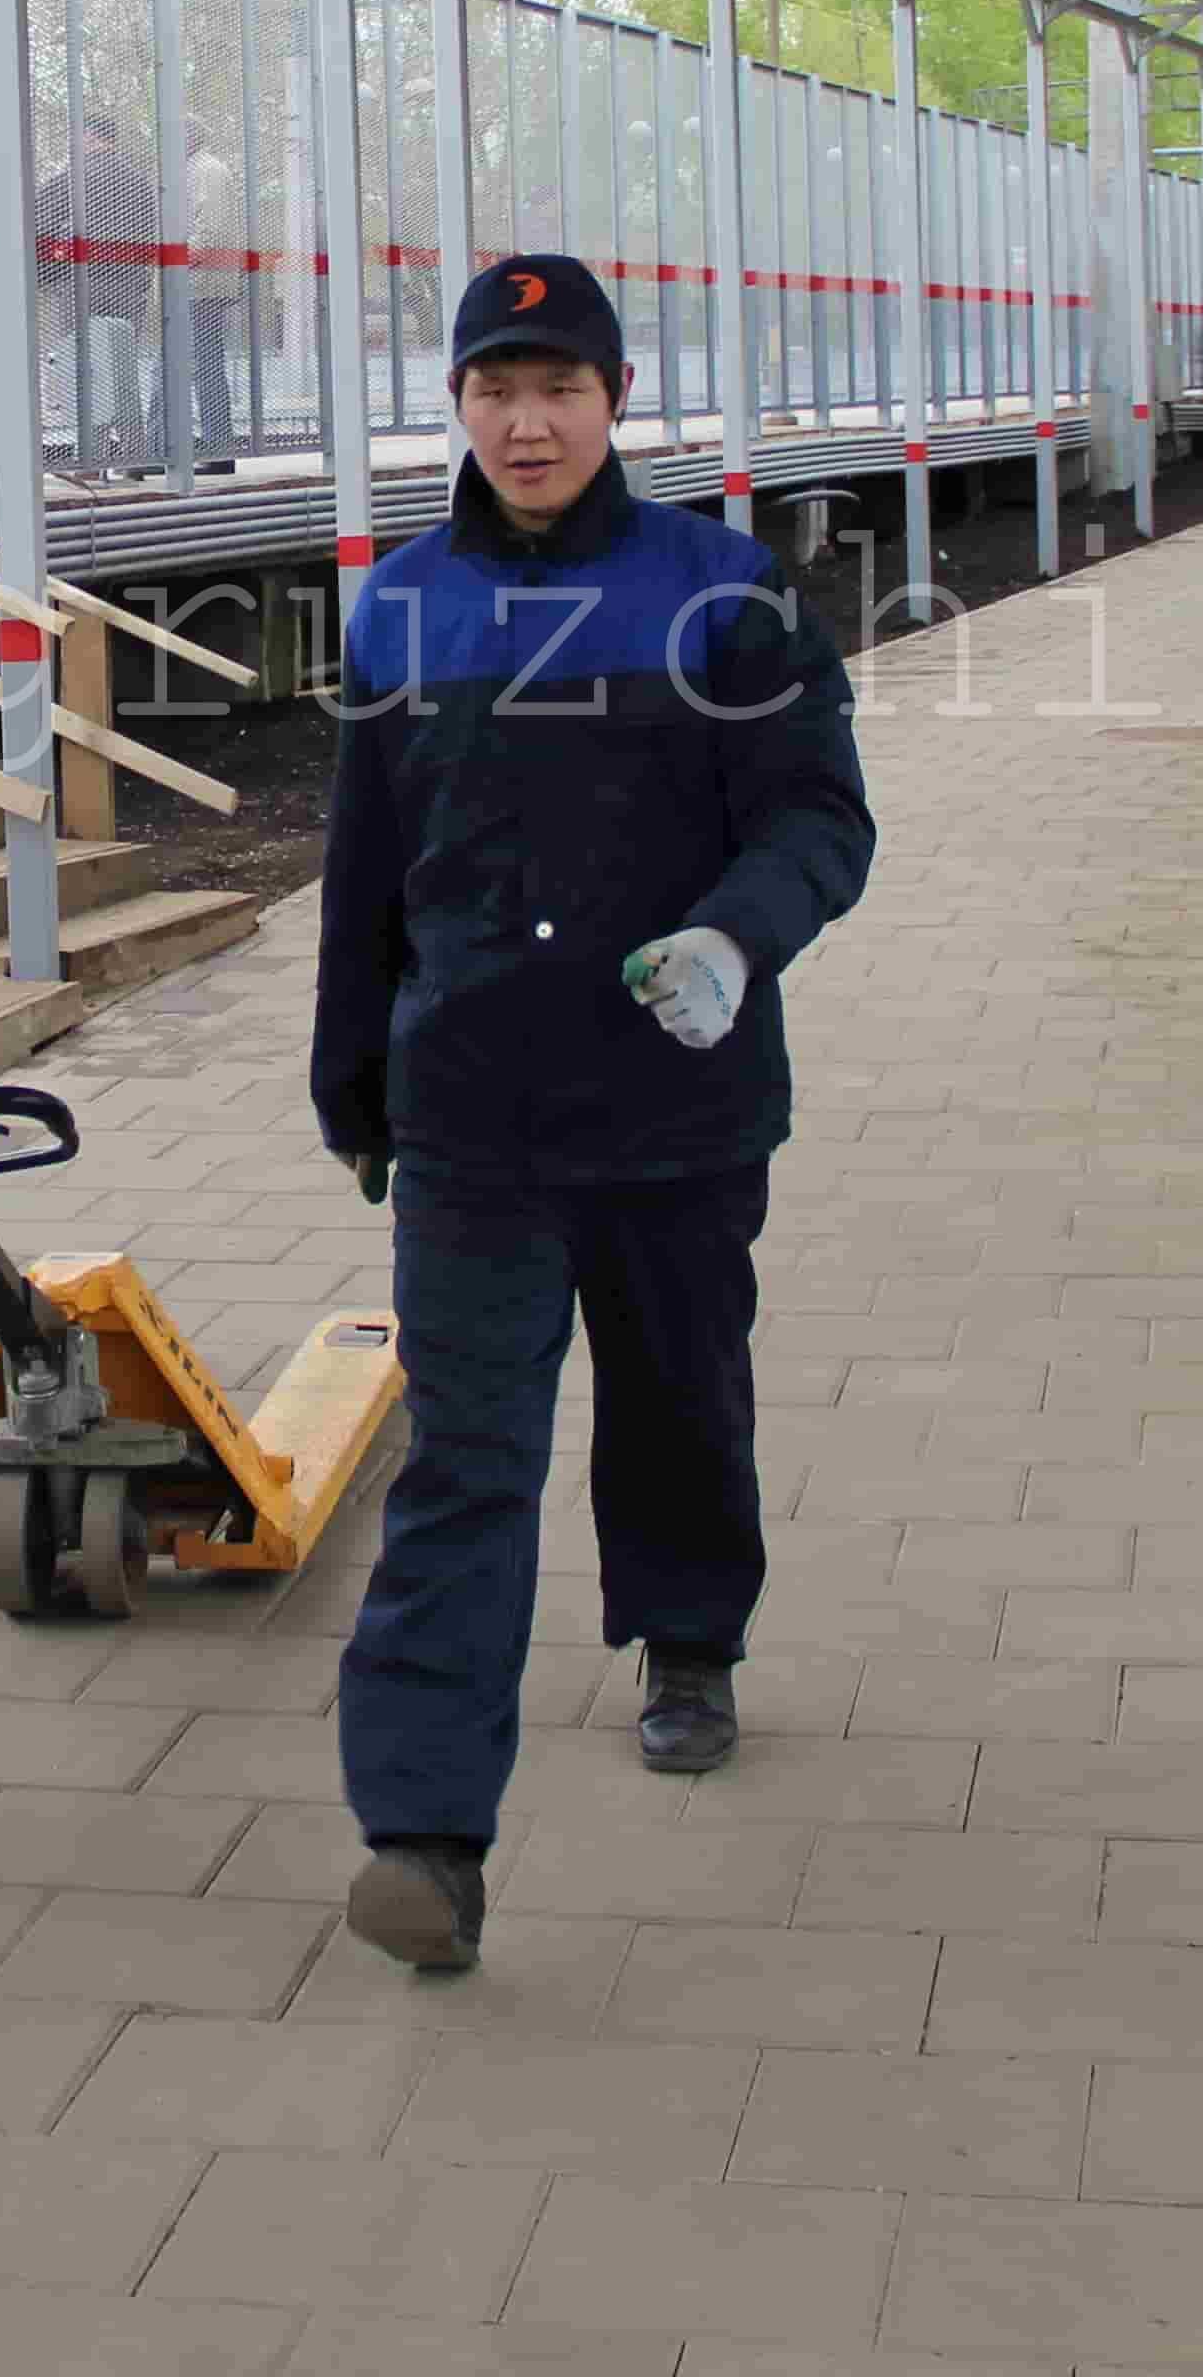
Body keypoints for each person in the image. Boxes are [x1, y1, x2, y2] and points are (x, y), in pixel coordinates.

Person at [313, 253, 877, 1972]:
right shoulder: (401, 603)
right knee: (463, 1466)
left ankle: (687, 1634)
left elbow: (818, 821)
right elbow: (365, 871)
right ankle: (421, 1830)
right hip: (473, 1109)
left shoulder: (724, 595)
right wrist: (352, 1080)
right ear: (460, 406)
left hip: (673, 1108)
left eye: (556, 387)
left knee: (674, 1398)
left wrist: (734, 932)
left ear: (614, 401)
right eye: (494, 388)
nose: (525, 418)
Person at [36, 107, 160, 475]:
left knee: (86, 369)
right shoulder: (141, 182)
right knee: (121, 369)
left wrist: (45, 276)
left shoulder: (73, 178)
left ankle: (90, 460)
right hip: (131, 286)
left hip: (82, 284)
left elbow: (37, 223)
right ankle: (134, 455)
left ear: (88, 137)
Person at [182, 113, 248, 476]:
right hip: (196, 282)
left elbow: (210, 229)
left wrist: (179, 263)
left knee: (204, 364)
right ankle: (196, 445)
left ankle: (219, 447)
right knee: (194, 364)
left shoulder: (206, 171)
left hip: (202, 284)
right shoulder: (197, 170)